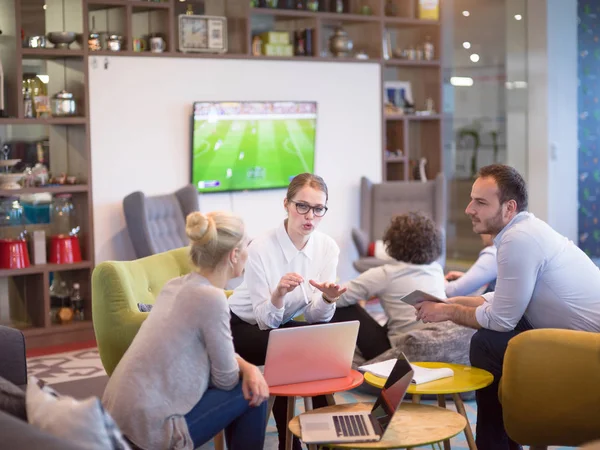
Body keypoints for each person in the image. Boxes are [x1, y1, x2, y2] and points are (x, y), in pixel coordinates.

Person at [414, 164, 600, 450]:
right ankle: (501, 440)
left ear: (509, 207)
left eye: (481, 202)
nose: (469, 209)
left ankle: (495, 443)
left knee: (488, 342)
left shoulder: (518, 239)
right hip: (569, 336)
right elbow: (502, 299)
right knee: (487, 341)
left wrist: (448, 313)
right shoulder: (523, 231)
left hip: (588, 351)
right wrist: (448, 303)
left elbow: (501, 319)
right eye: (471, 199)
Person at [102, 211, 269, 450]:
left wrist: (248, 367)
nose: (248, 253)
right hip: (149, 432)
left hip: (115, 421)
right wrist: (250, 372)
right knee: (254, 392)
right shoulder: (212, 299)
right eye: (246, 246)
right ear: (233, 255)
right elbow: (226, 379)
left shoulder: (176, 285)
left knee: (249, 379)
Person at [228, 172, 346, 450]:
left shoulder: (327, 247)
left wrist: (328, 299)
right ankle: (289, 443)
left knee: (322, 345)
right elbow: (266, 320)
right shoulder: (260, 248)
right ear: (286, 204)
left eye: (318, 209)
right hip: (240, 326)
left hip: (277, 327)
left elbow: (317, 318)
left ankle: (324, 440)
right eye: (301, 206)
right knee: (295, 351)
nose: (310, 216)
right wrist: (279, 294)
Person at [331, 212, 447, 361]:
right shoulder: (436, 269)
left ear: (392, 243)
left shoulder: (386, 274)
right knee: (401, 313)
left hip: (401, 352)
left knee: (339, 303)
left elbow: (338, 296)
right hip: (437, 344)